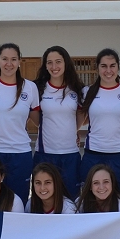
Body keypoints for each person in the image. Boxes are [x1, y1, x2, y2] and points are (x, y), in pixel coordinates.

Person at [0, 43, 40, 204]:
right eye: (4, 59)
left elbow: (39, 121)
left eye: (13, 59)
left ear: (20, 61)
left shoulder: (30, 87)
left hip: (20, 154)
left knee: (17, 201)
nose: (9, 63)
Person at [79, 48, 120, 193]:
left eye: (112, 66)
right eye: (104, 66)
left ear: (118, 67)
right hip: (93, 155)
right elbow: (80, 121)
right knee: (92, 197)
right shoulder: (87, 92)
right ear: (97, 67)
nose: (108, 70)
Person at [32, 46, 85, 198]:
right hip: (45, 154)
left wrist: (71, 131)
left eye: (58, 62)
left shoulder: (77, 89)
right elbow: (36, 118)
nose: (54, 67)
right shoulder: (37, 88)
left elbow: (81, 114)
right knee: (44, 197)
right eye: (49, 62)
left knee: (71, 197)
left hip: (70, 154)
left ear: (66, 63)